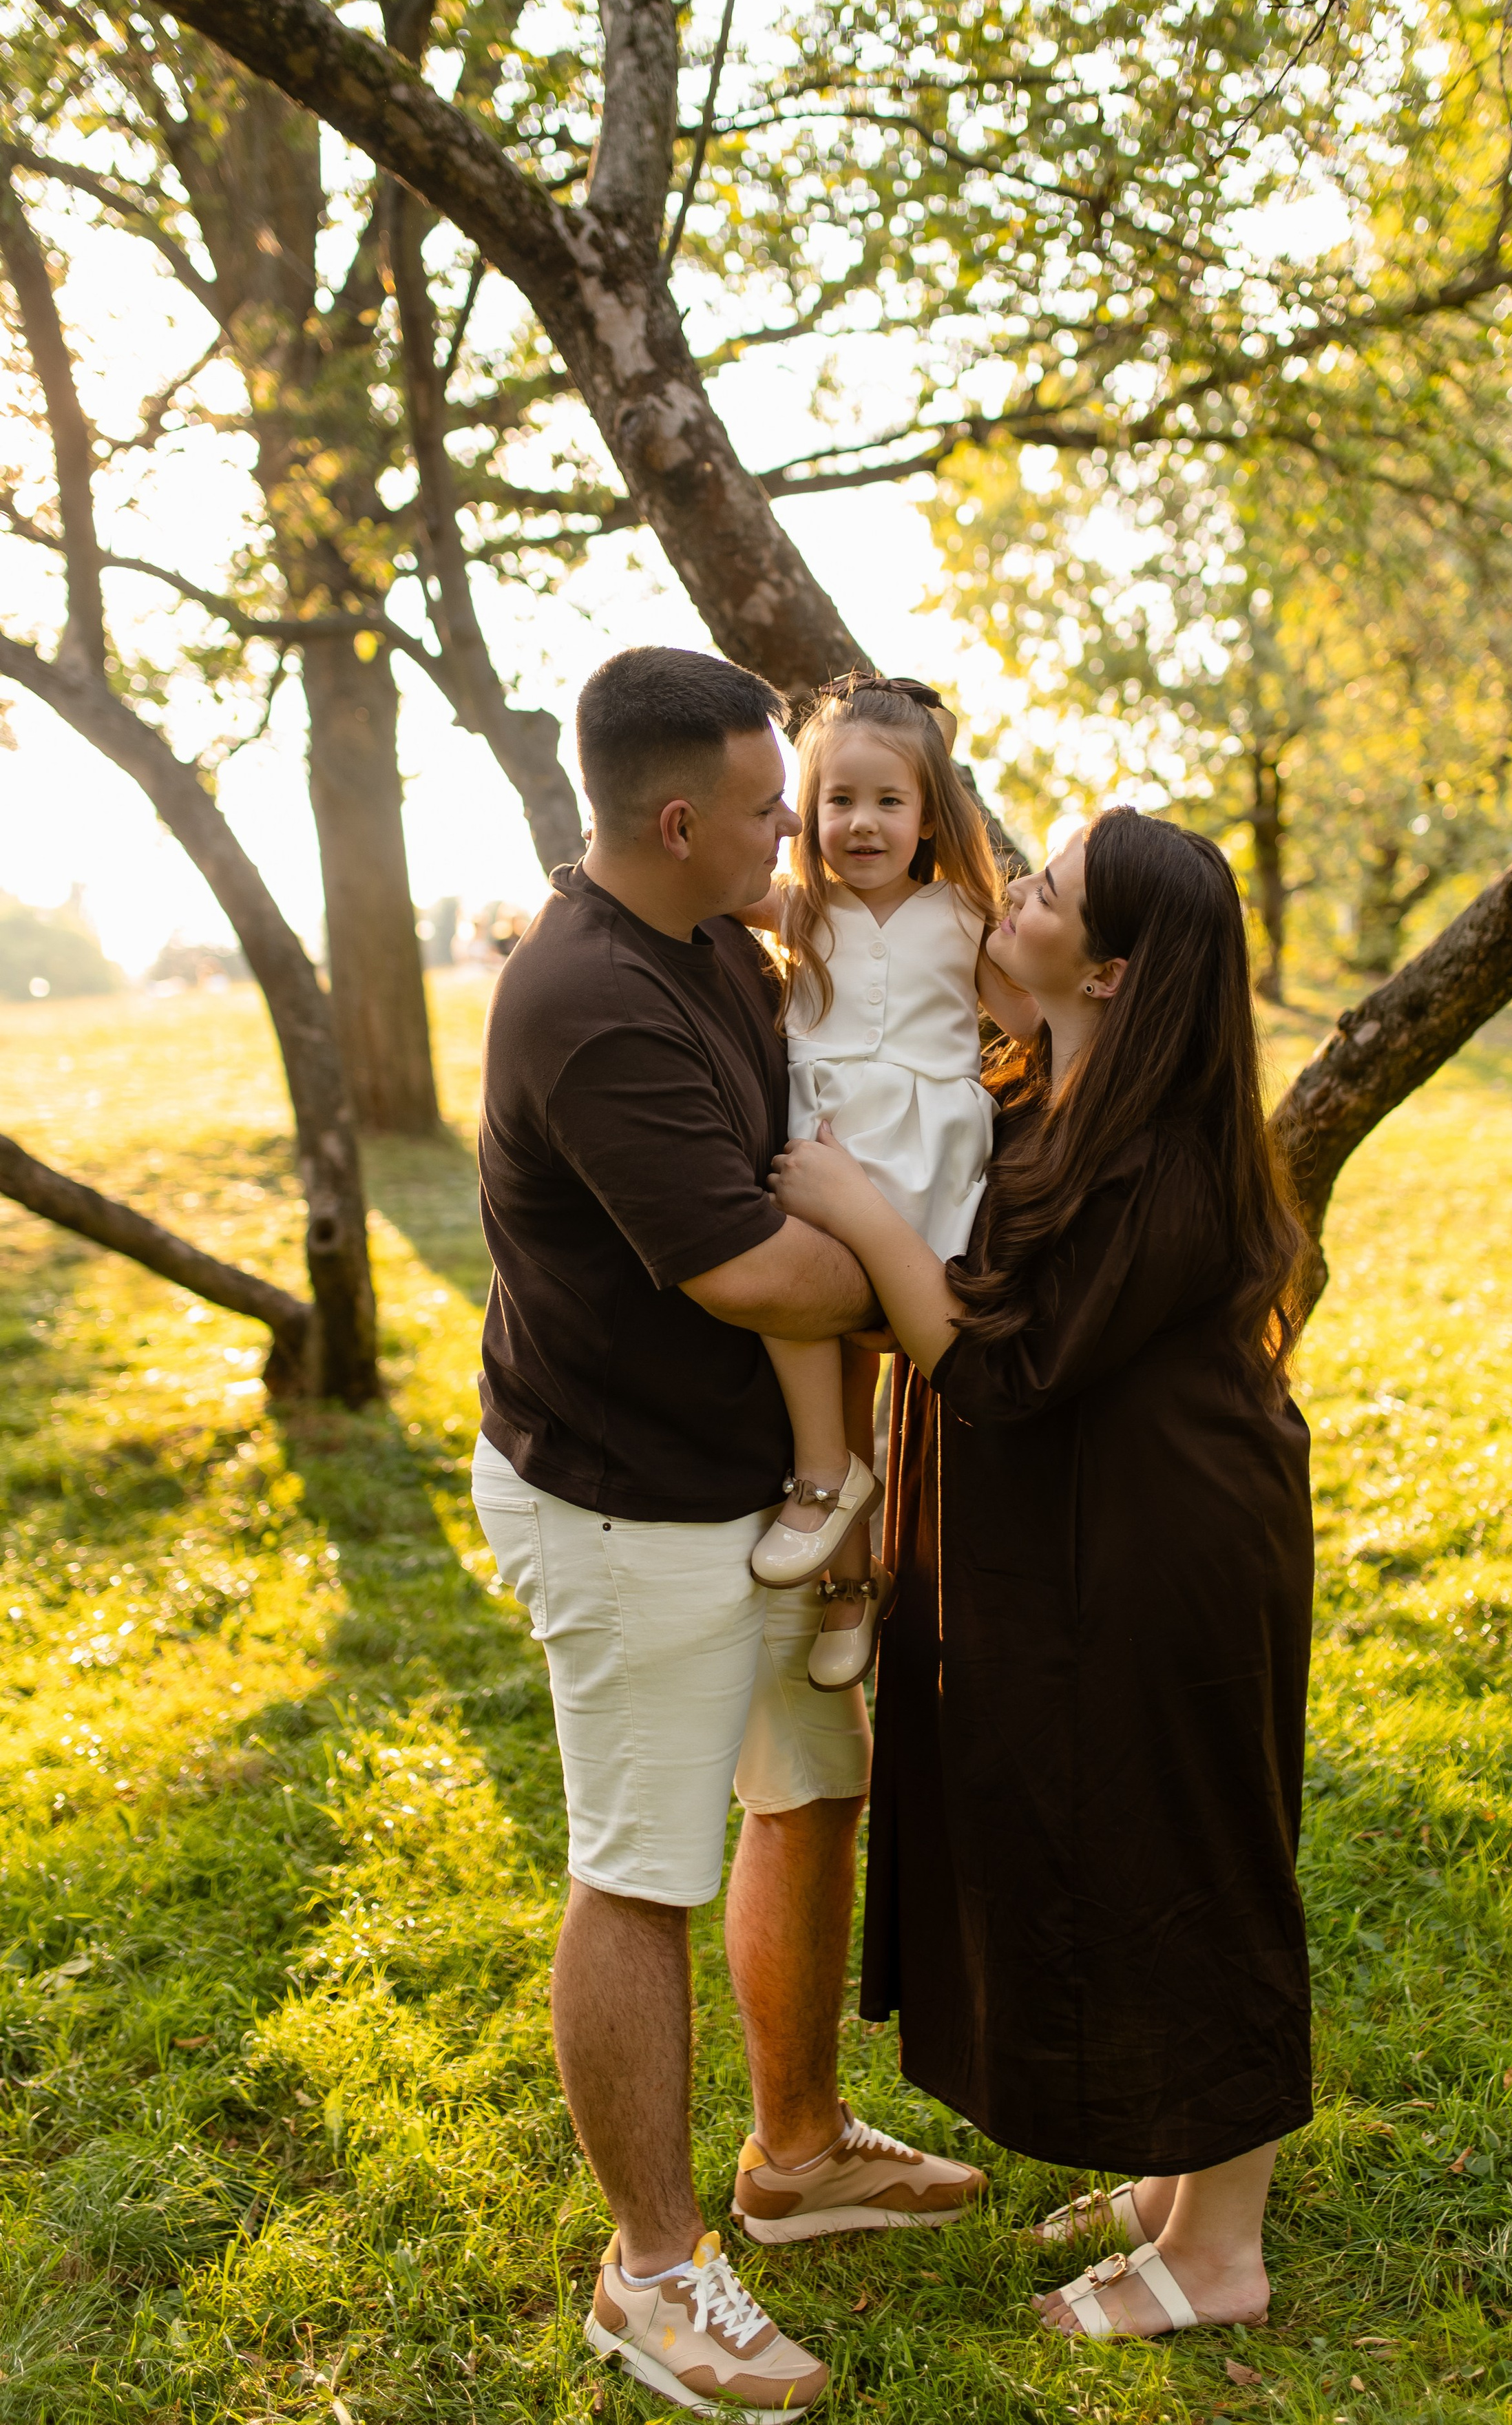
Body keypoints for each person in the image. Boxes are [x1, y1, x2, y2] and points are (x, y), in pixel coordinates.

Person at [470, 646, 985, 2421]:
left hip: (750, 1484)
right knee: (639, 1871)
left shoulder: (704, 938)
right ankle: (652, 2273)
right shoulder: (588, 1002)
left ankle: (798, 2152)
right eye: (772, 807)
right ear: (680, 819)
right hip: (624, 1503)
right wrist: (922, 1273)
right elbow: (755, 1274)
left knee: (810, 1787)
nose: (797, 834)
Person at [769, 808, 1316, 2347]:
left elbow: (1001, 1366)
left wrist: (857, 1213)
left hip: (1169, 1545)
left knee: (1193, 1855)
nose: (1015, 893)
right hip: (1087, 1534)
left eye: (1052, 892)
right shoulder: (1053, 1088)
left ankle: (1222, 2252)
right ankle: (1177, 2181)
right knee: (1114, 1840)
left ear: (1114, 970)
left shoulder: (1162, 1150)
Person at [735, 678, 1036, 1689]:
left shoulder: (965, 914)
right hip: (823, 1147)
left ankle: (855, 1523)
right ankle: (843, 1562)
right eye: (838, 801)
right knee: (797, 1308)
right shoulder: (800, 909)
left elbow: (1033, 1022)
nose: (862, 823)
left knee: (884, 1360)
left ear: (930, 816)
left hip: (924, 1161)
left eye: (889, 801)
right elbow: (697, 880)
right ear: (807, 812)